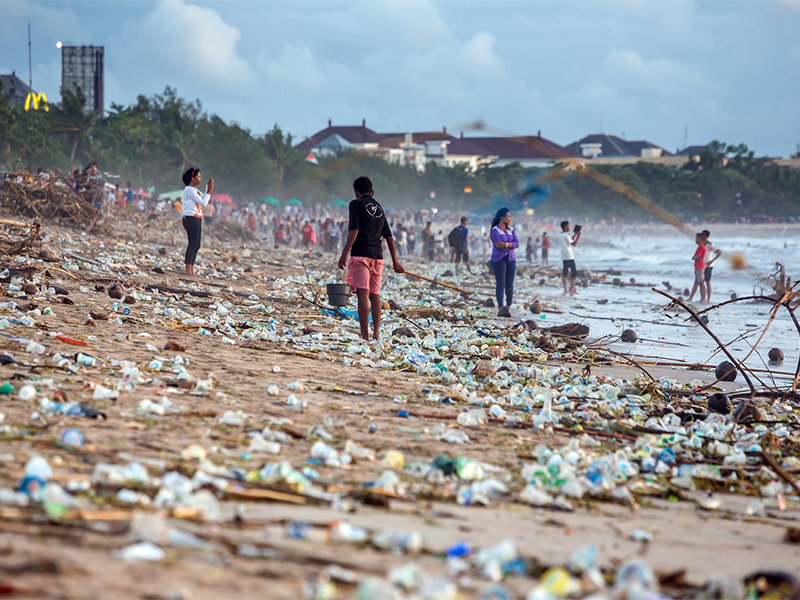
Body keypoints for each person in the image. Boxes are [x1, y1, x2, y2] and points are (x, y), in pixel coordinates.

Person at [338, 176, 404, 341]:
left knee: (363, 295)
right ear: (372, 192)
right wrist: (395, 261)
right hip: (377, 258)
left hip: (361, 255)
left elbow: (354, 230)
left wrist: (344, 253)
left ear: (356, 193)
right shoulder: (380, 209)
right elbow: (389, 237)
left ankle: (365, 336)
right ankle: (376, 334)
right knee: (375, 295)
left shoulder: (356, 204)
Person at [181, 167, 213, 276]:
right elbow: (204, 203)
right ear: (192, 178)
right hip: (191, 218)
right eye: (198, 176)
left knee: (196, 244)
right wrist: (208, 191)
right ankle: (188, 270)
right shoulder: (189, 189)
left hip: (196, 218)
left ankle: (191, 269)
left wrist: (208, 189)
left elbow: (204, 197)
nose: (200, 178)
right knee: (193, 244)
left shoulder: (194, 190)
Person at [489, 207, 519, 317]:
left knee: (510, 284)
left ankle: (508, 306)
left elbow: (517, 243)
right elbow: (498, 245)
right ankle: (501, 307)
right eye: (509, 216)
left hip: (511, 258)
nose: (510, 218)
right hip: (498, 259)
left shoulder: (511, 230)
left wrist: (506, 245)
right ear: (502, 218)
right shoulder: (495, 230)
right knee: (500, 283)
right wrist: (510, 245)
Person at [559, 221, 581, 295]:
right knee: (573, 272)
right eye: (568, 226)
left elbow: (570, 241)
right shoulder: (566, 235)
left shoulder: (561, 235)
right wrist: (578, 237)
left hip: (564, 256)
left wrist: (575, 234)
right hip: (569, 256)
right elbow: (574, 244)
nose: (569, 228)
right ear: (565, 227)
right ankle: (572, 288)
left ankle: (565, 289)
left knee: (565, 273)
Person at [702, 229, 722, 302]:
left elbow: (719, 252)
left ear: (707, 236)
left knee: (707, 281)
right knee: (701, 282)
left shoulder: (710, 244)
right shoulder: (701, 244)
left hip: (708, 265)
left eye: (703, 235)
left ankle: (708, 299)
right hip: (701, 265)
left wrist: (712, 260)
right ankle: (703, 298)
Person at [688, 232, 708, 303]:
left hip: (700, 267)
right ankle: (690, 298)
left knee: (701, 283)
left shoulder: (701, 248)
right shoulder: (699, 247)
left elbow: (696, 257)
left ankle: (703, 298)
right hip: (697, 266)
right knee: (696, 283)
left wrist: (695, 258)